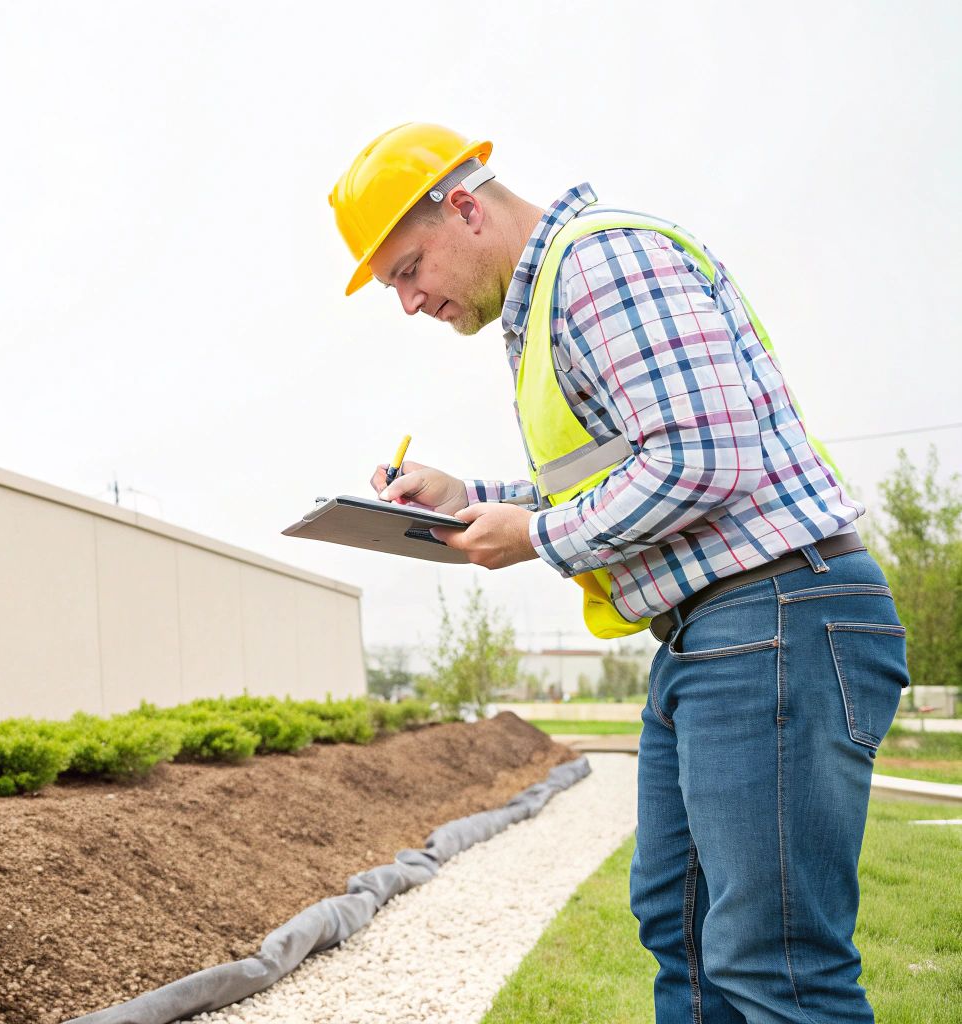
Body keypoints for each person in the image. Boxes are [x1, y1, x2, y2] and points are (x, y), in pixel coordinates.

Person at [329, 122, 909, 1023]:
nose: (409, 302)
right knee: (679, 932)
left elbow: (706, 456)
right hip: (719, 632)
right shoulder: (546, 306)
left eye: (407, 270)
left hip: (776, 616)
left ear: (466, 209)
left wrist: (540, 538)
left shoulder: (599, 267)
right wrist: (469, 495)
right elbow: (626, 466)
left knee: (776, 964)